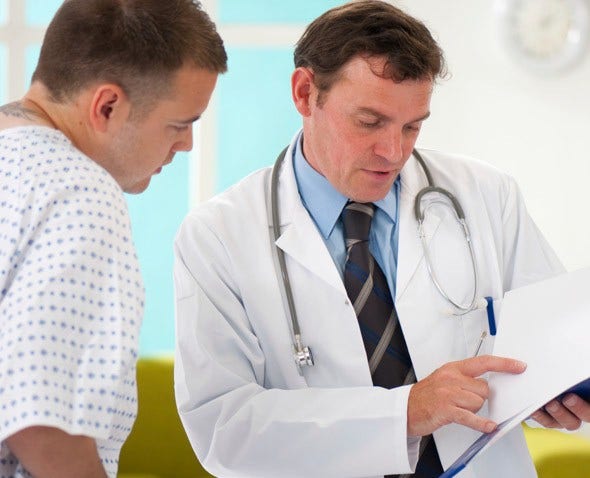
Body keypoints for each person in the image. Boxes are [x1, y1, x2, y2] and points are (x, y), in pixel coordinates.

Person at [173, 1, 589, 477]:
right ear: (306, 93)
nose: (393, 152)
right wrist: (405, 413)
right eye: (369, 122)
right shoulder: (217, 237)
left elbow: (554, 340)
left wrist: (561, 388)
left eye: (412, 126)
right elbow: (225, 430)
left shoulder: (485, 194)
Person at [0, 1, 226, 477]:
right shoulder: (78, 192)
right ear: (107, 106)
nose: (185, 145)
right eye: (179, 124)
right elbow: (41, 420)